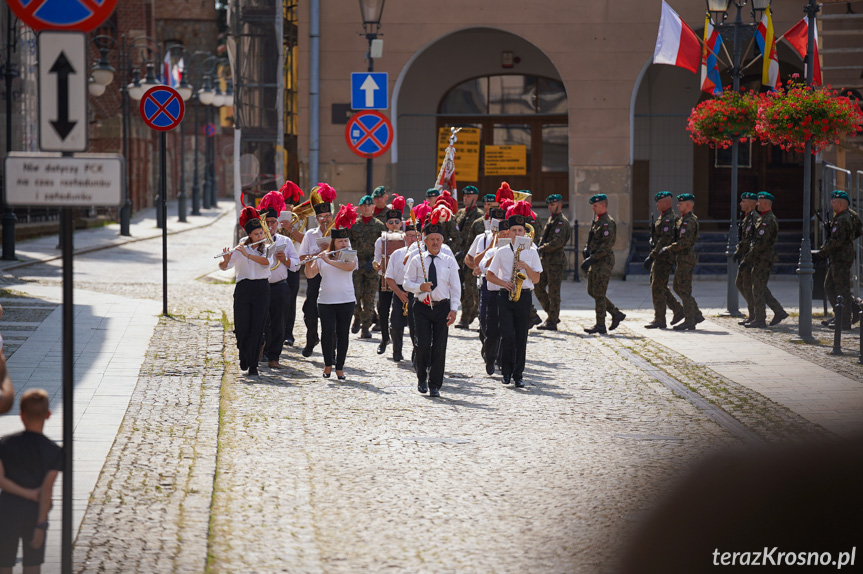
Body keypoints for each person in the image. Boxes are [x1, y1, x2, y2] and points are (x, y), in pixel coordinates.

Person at [0, 389, 63, 574]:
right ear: (48, 415)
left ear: (21, 415)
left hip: (6, 511)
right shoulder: (54, 451)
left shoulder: (5, 444)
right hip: (35, 513)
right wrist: (41, 525)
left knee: (4, 565)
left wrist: (24, 493)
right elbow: (46, 490)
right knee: (33, 566)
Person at [403, 207, 461, 397]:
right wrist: (421, 287)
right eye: (431, 239)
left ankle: (435, 384)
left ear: (442, 241)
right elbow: (406, 283)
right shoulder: (416, 258)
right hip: (421, 307)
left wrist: (454, 309)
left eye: (438, 239)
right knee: (423, 344)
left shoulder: (448, 260)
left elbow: (455, 287)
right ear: (425, 241)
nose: (435, 242)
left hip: (442, 307)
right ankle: (421, 377)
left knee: (439, 346)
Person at [486, 201, 543, 387]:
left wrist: (526, 267)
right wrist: (504, 283)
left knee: (521, 336)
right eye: (514, 231)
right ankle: (506, 371)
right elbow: (489, 275)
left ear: (525, 233)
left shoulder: (532, 251)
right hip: (505, 295)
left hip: (524, 295)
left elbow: (536, 279)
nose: (518, 234)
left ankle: (518, 374)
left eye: (520, 230)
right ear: (509, 233)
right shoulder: (501, 251)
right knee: (507, 334)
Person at [305, 204, 359, 380]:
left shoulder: (350, 255)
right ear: (333, 243)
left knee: (343, 334)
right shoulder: (324, 256)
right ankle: (328, 364)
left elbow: (348, 267)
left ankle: (340, 368)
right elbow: (311, 274)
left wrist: (327, 261)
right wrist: (309, 262)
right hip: (326, 301)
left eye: (345, 241)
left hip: (346, 300)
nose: (343, 244)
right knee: (327, 333)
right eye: (340, 241)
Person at [219, 207, 271, 376]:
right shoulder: (240, 247)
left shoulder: (267, 248)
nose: (260, 237)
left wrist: (248, 254)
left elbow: (265, 262)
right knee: (242, 326)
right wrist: (225, 260)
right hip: (243, 289)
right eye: (256, 234)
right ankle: (243, 353)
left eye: (261, 233)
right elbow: (224, 267)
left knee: (257, 326)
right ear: (249, 235)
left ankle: (253, 364)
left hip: (261, 288)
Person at [258, 191, 301, 368]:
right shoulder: (256, 241)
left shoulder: (285, 241)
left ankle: (274, 356)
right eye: (266, 223)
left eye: (273, 222)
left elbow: (297, 266)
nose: (270, 225)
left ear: (277, 224)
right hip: (261, 286)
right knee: (261, 320)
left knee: (279, 322)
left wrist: (285, 259)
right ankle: (261, 350)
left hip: (279, 286)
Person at [297, 183, 337, 357]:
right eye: (321, 216)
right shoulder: (310, 234)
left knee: (331, 315)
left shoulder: (337, 232)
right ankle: (311, 338)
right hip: (315, 276)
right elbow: (301, 257)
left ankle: (332, 350)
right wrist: (313, 256)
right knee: (309, 311)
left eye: (328, 215)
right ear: (316, 218)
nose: (325, 219)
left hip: (333, 277)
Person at [814, 190, 863, 330]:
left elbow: (837, 241)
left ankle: (844, 320)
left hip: (841, 257)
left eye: (833, 201)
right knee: (830, 286)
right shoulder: (849, 215)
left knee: (841, 289)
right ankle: (843, 312)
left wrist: (821, 253)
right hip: (840, 256)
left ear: (841, 203)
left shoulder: (842, 219)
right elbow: (858, 231)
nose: (831, 203)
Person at [742, 192, 788, 328]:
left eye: (759, 202)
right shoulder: (763, 219)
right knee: (759, 287)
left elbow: (760, 244)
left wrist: (748, 258)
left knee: (758, 288)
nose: (757, 204)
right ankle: (778, 311)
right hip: (759, 258)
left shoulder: (768, 220)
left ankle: (760, 319)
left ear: (766, 203)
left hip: (763, 258)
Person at [581, 194, 625, 334]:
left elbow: (606, 246)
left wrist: (590, 259)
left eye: (595, 206)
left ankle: (601, 324)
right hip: (596, 260)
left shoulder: (607, 223)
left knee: (599, 293)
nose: (593, 208)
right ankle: (615, 313)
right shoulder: (598, 221)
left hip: (603, 261)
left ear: (603, 205)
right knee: (591, 291)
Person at [660, 193, 703, 331]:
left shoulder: (689, 221)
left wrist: (669, 248)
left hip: (686, 258)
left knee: (684, 289)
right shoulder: (683, 220)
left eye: (681, 204)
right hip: (682, 257)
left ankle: (690, 321)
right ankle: (696, 314)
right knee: (678, 287)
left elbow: (684, 242)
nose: (677, 205)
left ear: (688, 205)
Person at [466, 206, 507, 348]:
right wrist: (491, 246)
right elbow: (472, 259)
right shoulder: (482, 237)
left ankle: (499, 350)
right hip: (486, 281)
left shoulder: (509, 237)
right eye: (496, 220)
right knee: (484, 318)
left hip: (504, 281)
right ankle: (488, 345)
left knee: (502, 319)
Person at [644, 191, 685, 329]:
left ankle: (660, 319)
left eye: (659, 202)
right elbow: (658, 237)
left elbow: (664, 239)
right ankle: (678, 310)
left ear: (667, 203)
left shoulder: (669, 219)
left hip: (664, 257)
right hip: (659, 256)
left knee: (657, 286)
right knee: (657, 285)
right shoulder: (663, 217)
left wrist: (652, 255)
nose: (656, 205)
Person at [373, 195, 407, 355]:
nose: (394, 225)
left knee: (400, 313)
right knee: (383, 309)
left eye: (397, 222)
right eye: (391, 223)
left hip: (402, 281)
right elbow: (377, 259)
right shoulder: (381, 240)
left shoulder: (407, 239)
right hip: (386, 280)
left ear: (401, 223)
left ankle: (399, 343)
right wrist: (378, 267)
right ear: (386, 224)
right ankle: (384, 339)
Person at [350, 195, 387, 339]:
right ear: (359, 208)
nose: (366, 208)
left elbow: (383, 247)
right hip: (356, 265)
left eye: (369, 205)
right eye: (363, 206)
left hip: (372, 266)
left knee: (369, 297)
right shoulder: (353, 225)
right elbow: (348, 244)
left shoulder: (379, 225)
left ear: (372, 207)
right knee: (355, 295)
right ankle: (357, 316)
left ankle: (365, 327)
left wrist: (374, 261)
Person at [480, 218, 512, 374]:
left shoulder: (515, 252)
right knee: (492, 331)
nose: (505, 237)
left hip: (510, 294)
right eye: (502, 234)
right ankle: (490, 358)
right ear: (497, 236)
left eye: (508, 234)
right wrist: (498, 253)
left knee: (507, 330)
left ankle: (502, 360)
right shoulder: (492, 251)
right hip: (493, 294)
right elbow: (482, 267)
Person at [535, 193, 572, 331]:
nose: (550, 207)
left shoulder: (561, 222)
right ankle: (552, 314)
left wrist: (541, 247)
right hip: (545, 261)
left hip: (555, 262)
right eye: (549, 205)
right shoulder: (551, 220)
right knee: (538, 286)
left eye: (553, 205)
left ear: (560, 205)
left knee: (554, 292)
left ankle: (552, 321)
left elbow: (557, 241)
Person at [385, 221, 420, 363]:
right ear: (404, 237)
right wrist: (399, 292)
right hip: (399, 291)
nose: (412, 239)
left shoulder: (423, 255)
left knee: (416, 325)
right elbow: (389, 277)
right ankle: (397, 351)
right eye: (410, 236)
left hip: (416, 293)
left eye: (415, 236)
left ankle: (416, 353)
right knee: (396, 324)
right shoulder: (397, 254)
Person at [279, 180, 306, 346]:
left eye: (290, 205)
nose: (288, 208)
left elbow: (304, 241)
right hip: (275, 264)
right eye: (285, 204)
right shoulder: (273, 217)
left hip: (292, 263)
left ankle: (288, 332)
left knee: (290, 300)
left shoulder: (299, 218)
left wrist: (290, 229)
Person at [454, 185, 484, 329]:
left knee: (471, 288)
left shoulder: (479, 216)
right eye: (464, 196)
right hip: (457, 255)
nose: (465, 198)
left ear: (475, 198)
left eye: (469, 196)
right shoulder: (460, 213)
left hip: (471, 255)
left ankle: (465, 318)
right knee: (457, 286)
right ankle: (471, 312)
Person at [733, 192, 759, 325]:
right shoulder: (746, 218)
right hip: (744, 255)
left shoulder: (754, 217)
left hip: (750, 257)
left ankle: (754, 314)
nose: (740, 204)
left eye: (743, 201)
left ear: (750, 203)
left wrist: (744, 253)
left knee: (747, 286)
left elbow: (751, 239)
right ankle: (753, 312)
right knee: (740, 283)